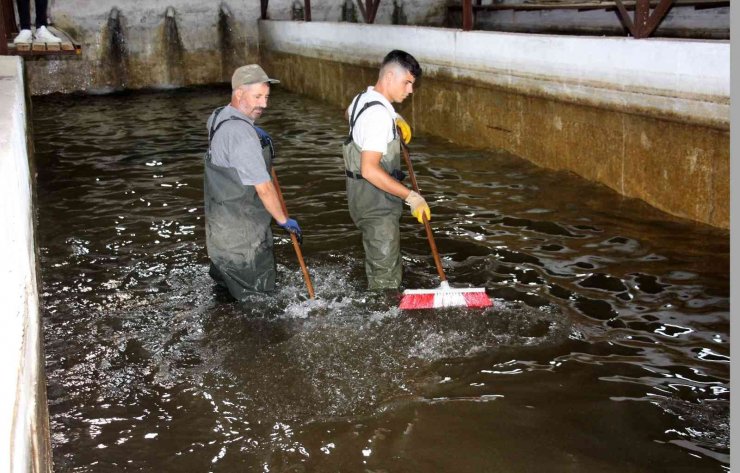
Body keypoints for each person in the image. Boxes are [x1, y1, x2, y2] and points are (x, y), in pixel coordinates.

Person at [204, 64, 302, 299]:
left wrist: (253, 130)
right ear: (238, 93)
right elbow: (265, 187)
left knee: (226, 298)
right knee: (260, 305)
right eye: (257, 96)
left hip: (220, 236)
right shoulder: (241, 134)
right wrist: (283, 220)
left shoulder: (218, 116)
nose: (264, 104)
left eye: (266, 97)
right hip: (244, 243)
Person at [342, 50, 430, 291]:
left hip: (359, 195)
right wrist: (411, 196)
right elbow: (370, 169)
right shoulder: (378, 116)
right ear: (390, 76)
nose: (410, 90)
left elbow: (349, 114)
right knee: (386, 278)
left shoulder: (362, 98)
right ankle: (382, 316)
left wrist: (395, 117)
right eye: (407, 83)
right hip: (376, 202)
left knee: (379, 259)